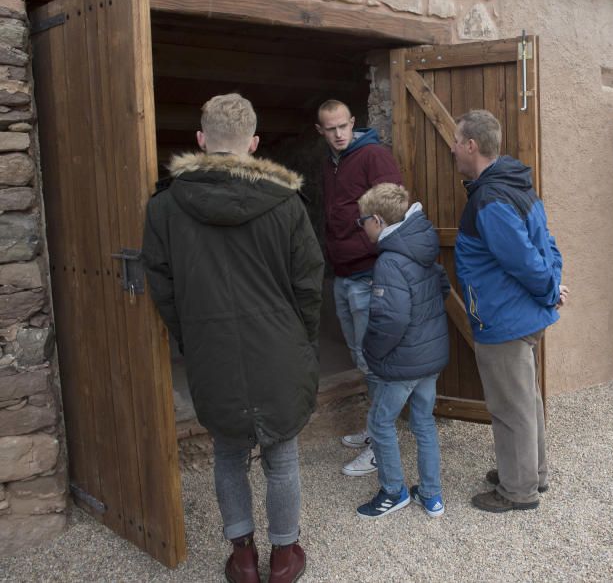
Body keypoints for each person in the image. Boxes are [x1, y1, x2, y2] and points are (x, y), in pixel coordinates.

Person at [143, 94, 324, 583]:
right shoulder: (286, 203)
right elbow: (309, 283)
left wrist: (191, 338)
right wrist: (302, 341)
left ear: (201, 140)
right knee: (281, 456)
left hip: (212, 348)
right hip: (279, 347)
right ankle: (284, 557)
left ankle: (243, 557)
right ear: (254, 143)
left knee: (227, 453)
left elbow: (162, 286)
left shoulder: (165, 206)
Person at [450, 109, 569, 513]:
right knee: (526, 400)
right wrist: (552, 287)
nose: (453, 149)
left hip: (505, 318)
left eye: (456, 142)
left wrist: (549, 290)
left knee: (510, 407)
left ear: (471, 146)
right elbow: (548, 244)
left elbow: (523, 259)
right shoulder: (517, 183)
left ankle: (518, 490)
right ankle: (532, 473)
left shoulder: (490, 199)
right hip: (523, 313)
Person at [316, 100, 403, 477]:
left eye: (343, 126)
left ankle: (382, 446)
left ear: (353, 123)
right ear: (320, 131)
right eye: (330, 128)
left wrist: (374, 251)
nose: (338, 134)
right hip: (343, 273)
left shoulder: (373, 156)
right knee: (360, 356)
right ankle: (375, 428)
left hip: (368, 273)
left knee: (374, 359)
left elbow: (395, 209)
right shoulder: (332, 163)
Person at [353, 183, 450, 519]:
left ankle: (393, 491)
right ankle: (431, 495)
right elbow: (442, 287)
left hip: (403, 361)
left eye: (362, 221)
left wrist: (372, 351)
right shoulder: (420, 246)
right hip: (429, 357)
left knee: (380, 422)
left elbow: (391, 319)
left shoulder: (390, 261)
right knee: (423, 422)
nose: (361, 227)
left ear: (378, 220)